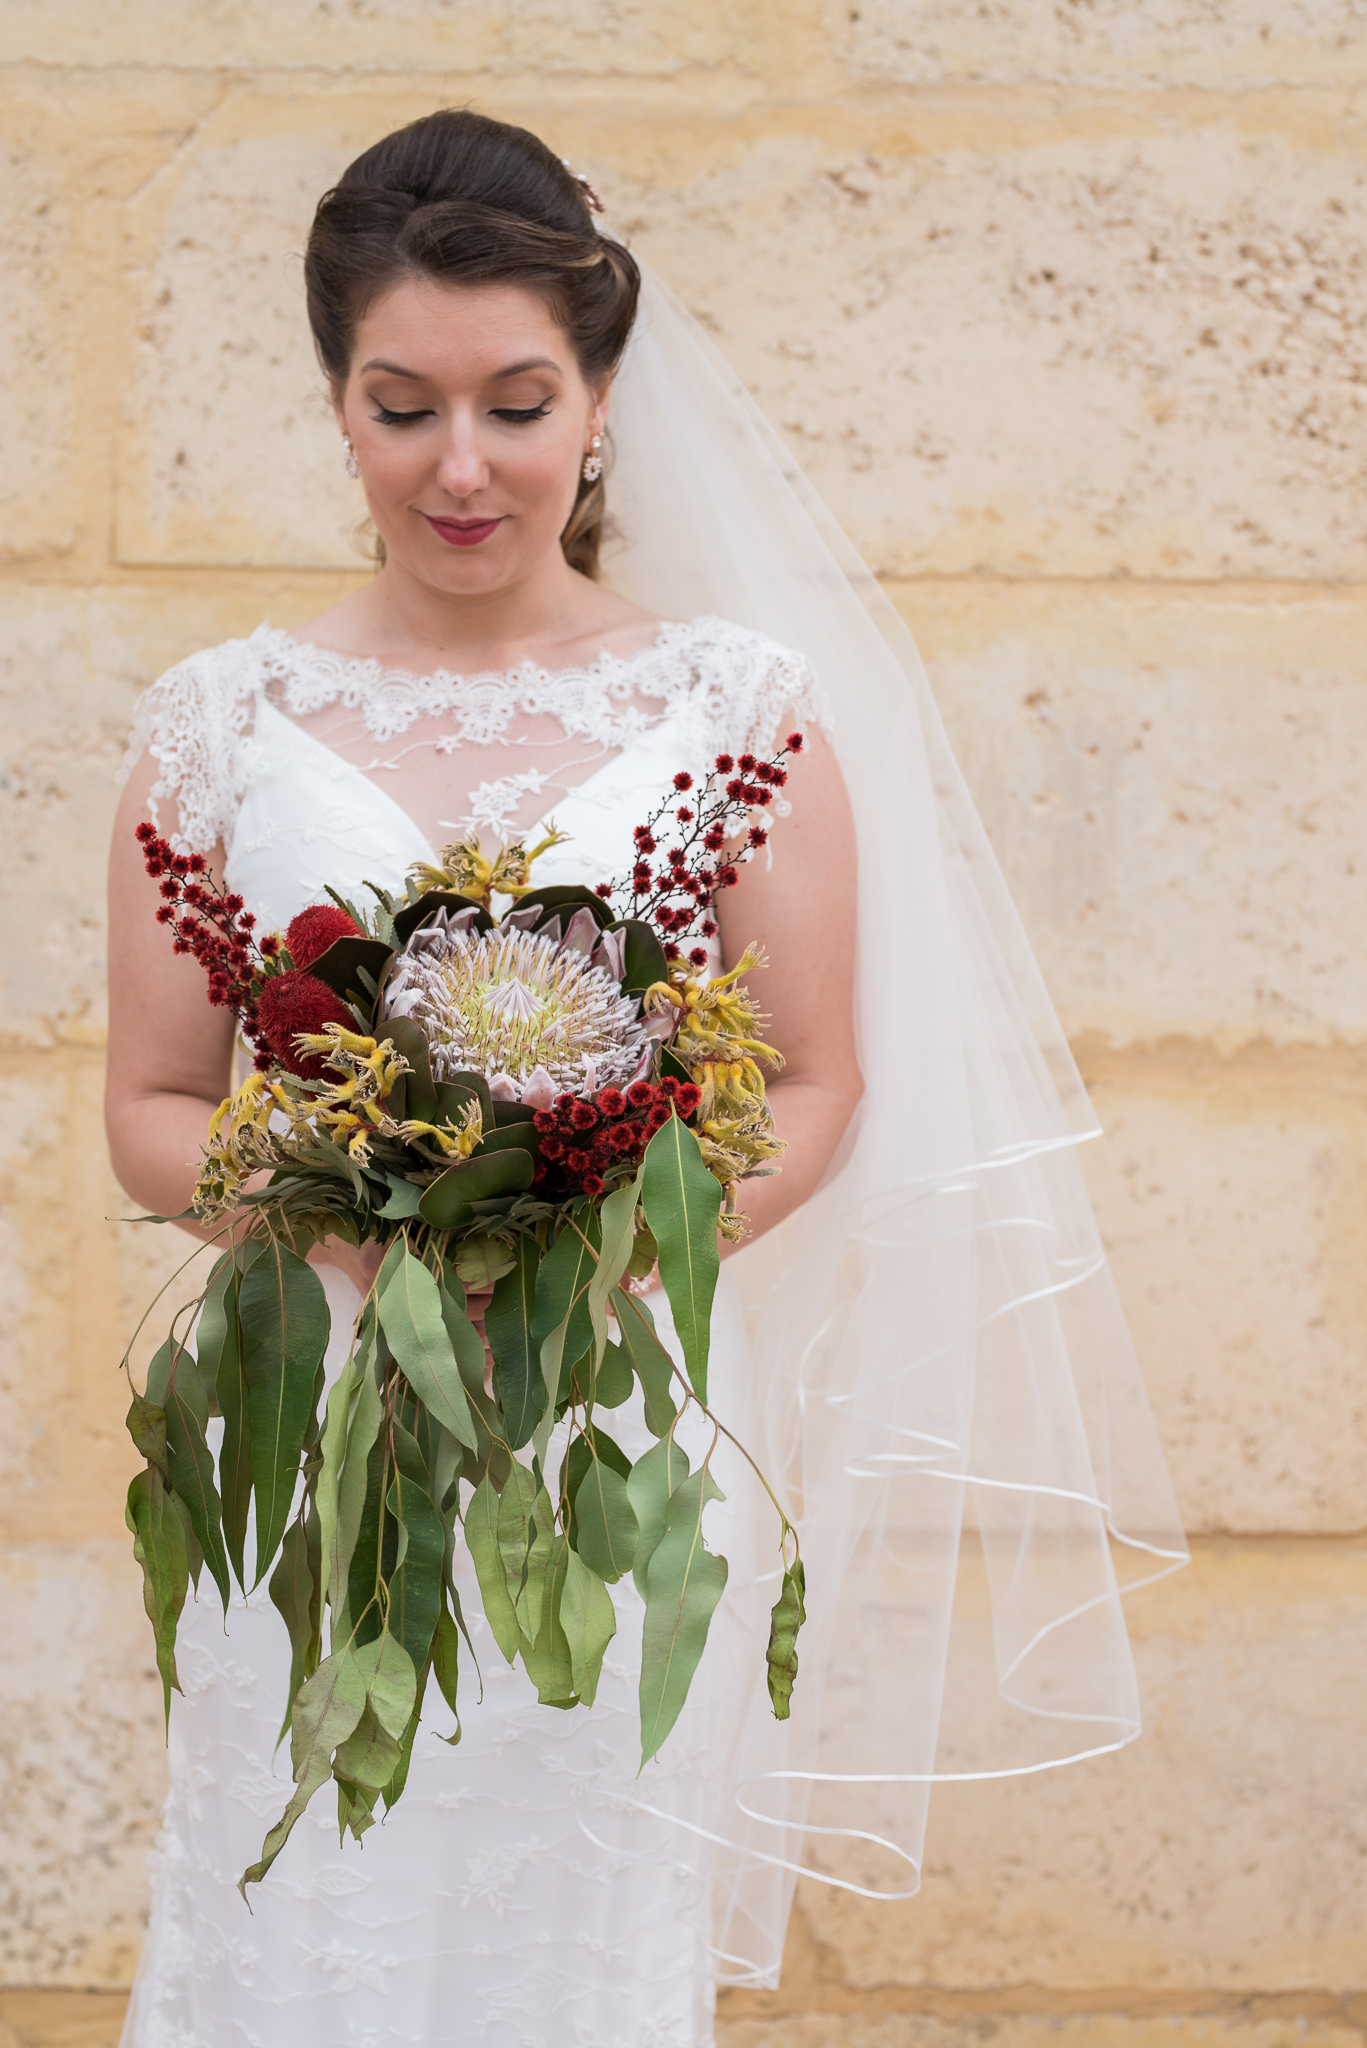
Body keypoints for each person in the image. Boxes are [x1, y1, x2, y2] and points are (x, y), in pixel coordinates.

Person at [106, 110, 1186, 2048]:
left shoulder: (727, 715)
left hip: (610, 1420)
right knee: (304, 1881)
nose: (462, 463)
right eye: (402, 402)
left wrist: (593, 1251)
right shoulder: (218, 727)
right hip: (322, 1408)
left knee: (566, 1910)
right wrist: (354, 1220)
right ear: (336, 401)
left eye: (517, 401)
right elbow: (154, 1104)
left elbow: (818, 1076)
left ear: (599, 397)